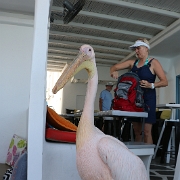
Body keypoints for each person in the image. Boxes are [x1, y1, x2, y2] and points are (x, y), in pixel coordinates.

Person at [110, 38, 168, 144]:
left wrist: (151, 85)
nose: (136, 51)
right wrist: (114, 72)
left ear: (146, 48)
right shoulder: (133, 63)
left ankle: (148, 159)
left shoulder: (153, 62)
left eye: (138, 48)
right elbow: (114, 67)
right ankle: (137, 158)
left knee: (146, 131)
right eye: (135, 49)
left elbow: (164, 82)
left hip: (148, 100)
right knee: (137, 132)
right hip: (134, 101)